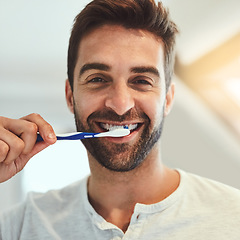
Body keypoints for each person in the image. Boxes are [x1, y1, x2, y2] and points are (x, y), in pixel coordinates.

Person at [0, 0, 240, 239]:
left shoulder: (233, 218)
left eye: (141, 81)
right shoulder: (22, 225)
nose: (120, 104)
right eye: (98, 79)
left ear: (167, 100)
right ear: (70, 96)